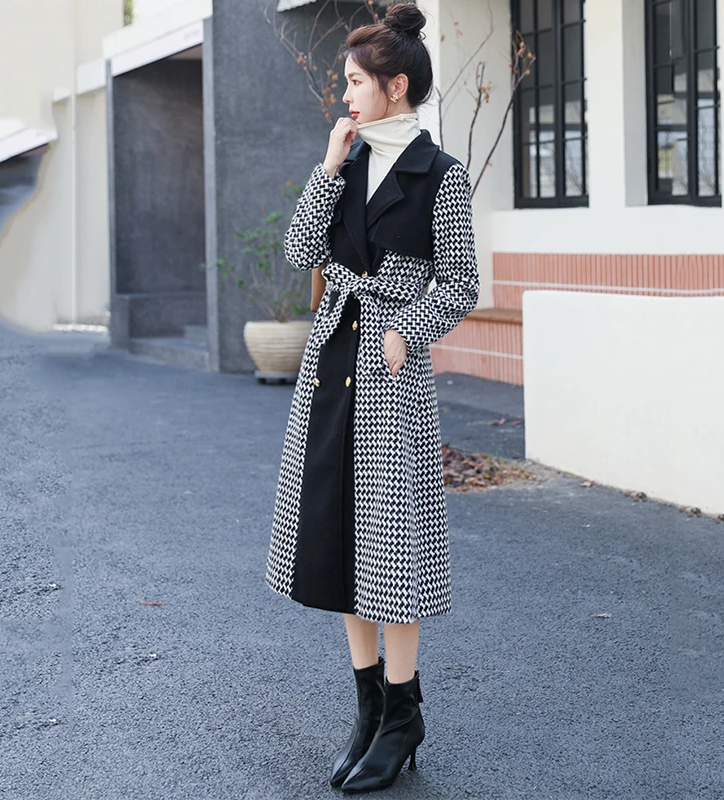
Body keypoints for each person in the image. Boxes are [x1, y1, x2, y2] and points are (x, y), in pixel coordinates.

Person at [264, 3, 479, 793]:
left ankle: (402, 713)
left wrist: (407, 330)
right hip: (331, 363)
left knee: (394, 551)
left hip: (389, 374)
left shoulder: (440, 175)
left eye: (355, 82)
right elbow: (300, 250)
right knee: (339, 539)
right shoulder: (347, 160)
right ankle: (366, 708)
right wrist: (327, 163)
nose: (345, 95)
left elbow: (460, 284)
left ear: (396, 85)